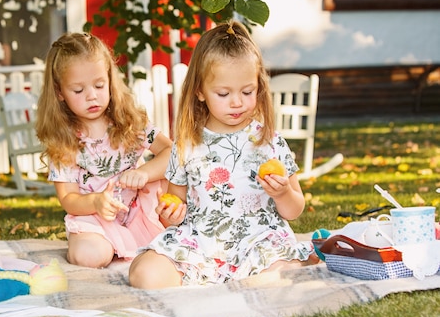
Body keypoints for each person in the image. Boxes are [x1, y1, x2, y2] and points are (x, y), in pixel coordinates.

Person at [129, 21, 318, 289]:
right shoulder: (186, 145)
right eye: (223, 93)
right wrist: (171, 214)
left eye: (247, 91)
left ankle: (271, 272)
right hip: (201, 242)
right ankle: (221, 279)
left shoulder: (270, 141)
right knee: (145, 275)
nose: (237, 102)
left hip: (257, 241)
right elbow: (174, 206)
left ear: (259, 88)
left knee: (279, 278)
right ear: (200, 92)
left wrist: (282, 193)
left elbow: (294, 210)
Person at [35, 32, 173, 268]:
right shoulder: (63, 139)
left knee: (171, 195)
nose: (92, 96)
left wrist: (144, 173)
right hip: (94, 219)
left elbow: (171, 152)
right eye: (78, 90)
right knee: (89, 256)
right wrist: (96, 202)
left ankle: (136, 240)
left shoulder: (129, 122)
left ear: (110, 80)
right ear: (60, 92)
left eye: (99, 85)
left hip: (138, 212)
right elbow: (68, 199)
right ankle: (108, 245)